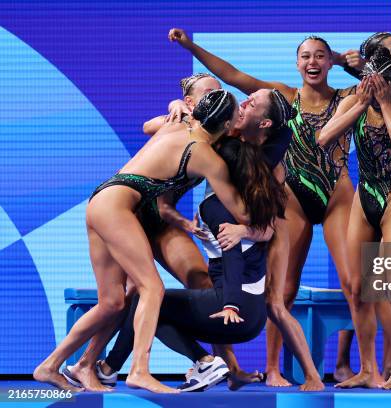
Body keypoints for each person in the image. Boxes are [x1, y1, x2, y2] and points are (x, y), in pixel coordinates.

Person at [168, 27, 356, 388]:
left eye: (320, 55)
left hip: (321, 197)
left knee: (342, 286)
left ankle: (336, 370)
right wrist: (190, 52)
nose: (313, 61)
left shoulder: (342, 98)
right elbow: (232, 76)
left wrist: (348, 63)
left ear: (328, 62)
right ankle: (270, 368)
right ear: (296, 63)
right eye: (306, 56)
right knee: (279, 293)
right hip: (286, 203)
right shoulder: (271, 105)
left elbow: (379, 88)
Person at [33, 89, 252, 393]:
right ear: (227, 126)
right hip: (119, 207)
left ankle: (51, 365)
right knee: (153, 288)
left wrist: (176, 105)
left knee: (112, 302)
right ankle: (139, 370)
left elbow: (151, 125)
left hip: (102, 200)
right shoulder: (206, 156)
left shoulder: (179, 123)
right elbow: (240, 210)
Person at [95, 135, 286, 392]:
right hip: (252, 314)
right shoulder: (247, 197)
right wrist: (178, 103)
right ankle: (109, 368)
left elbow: (233, 256)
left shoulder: (214, 206)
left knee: (149, 302)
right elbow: (282, 137)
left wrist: (231, 304)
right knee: (156, 310)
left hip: (236, 310)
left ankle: (202, 361)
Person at [319, 47, 391, 389]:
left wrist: (387, 104)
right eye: (372, 84)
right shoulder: (356, 103)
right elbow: (324, 138)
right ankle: (367, 369)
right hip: (366, 197)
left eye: (384, 85)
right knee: (358, 289)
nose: (378, 90)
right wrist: (362, 103)